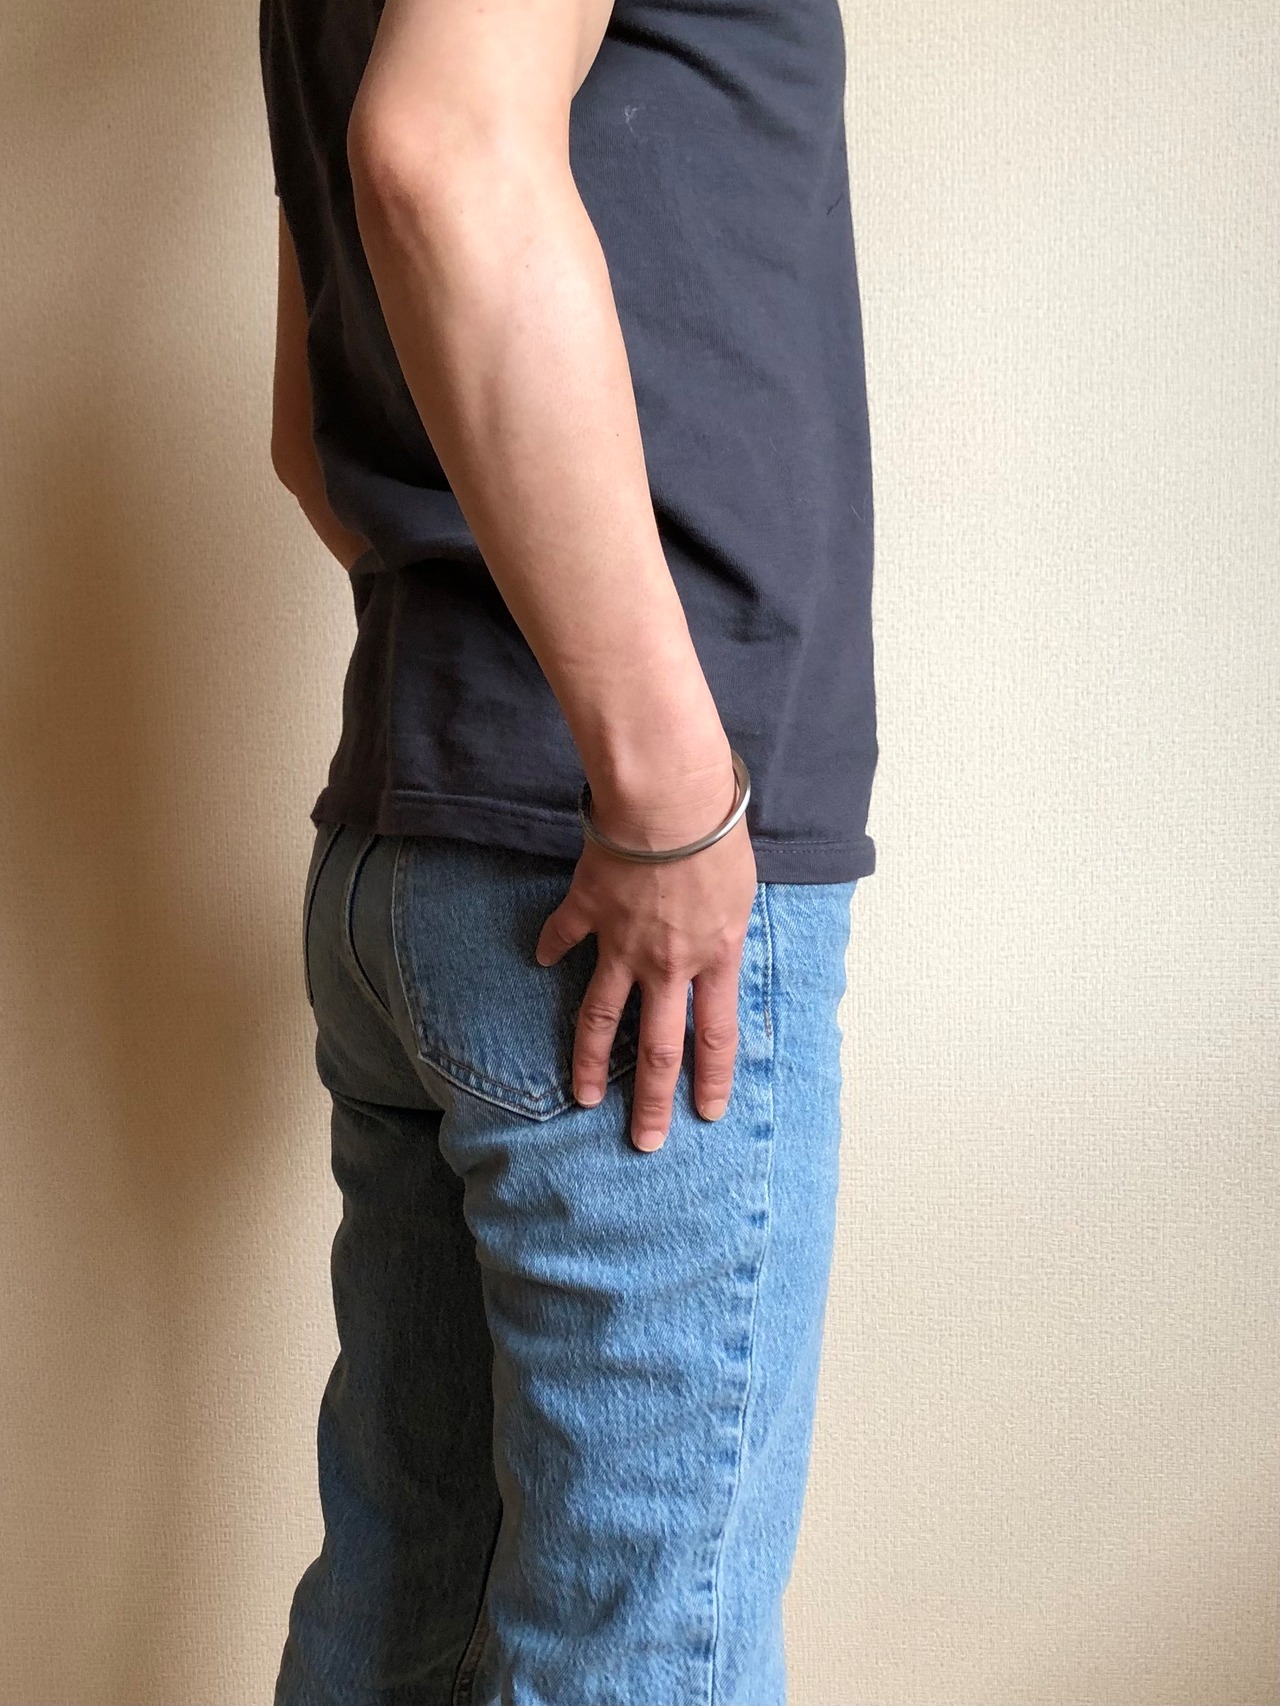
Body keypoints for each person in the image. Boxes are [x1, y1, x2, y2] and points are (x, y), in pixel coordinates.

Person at [258, 0, 877, 1700]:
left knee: (399, 1608)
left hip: (423, 833)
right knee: (638, 1645)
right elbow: (440, 159)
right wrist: (665, 782)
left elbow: (312, 436)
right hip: (608, 869)